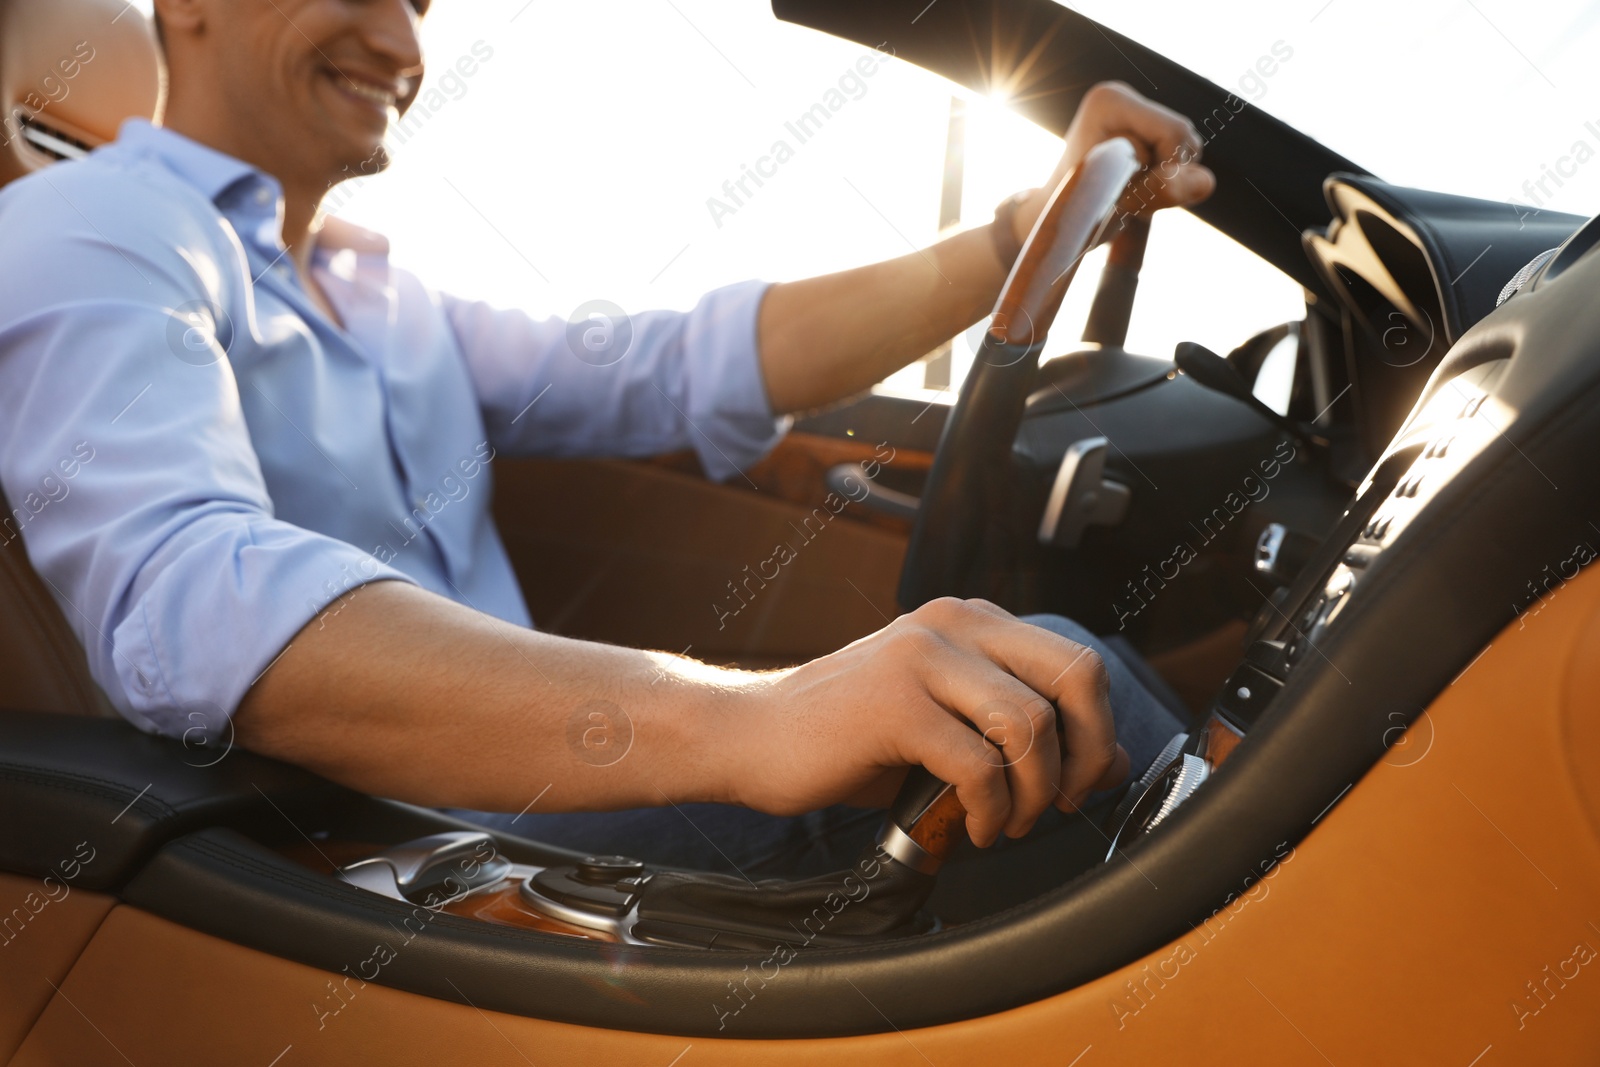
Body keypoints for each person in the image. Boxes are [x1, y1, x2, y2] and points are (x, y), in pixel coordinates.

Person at [0, 0, 1212, 878]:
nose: (408, 45)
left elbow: (686, 364)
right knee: (1037, 684)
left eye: (421, 4)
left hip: (532, 795)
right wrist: (749, 717)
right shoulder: (93, 226)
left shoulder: (390, 300)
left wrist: (1019, 230)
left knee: (1028, 686)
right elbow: (185, 593)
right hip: (388, 847)